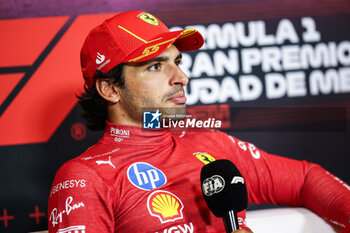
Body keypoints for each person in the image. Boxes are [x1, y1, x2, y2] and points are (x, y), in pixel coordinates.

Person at [48, 10, 350, 233]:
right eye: (155, 66)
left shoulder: (210, 143)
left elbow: (306, 179)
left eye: (177, 62)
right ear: (109, 88)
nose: (182, 78)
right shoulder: (83, 178)